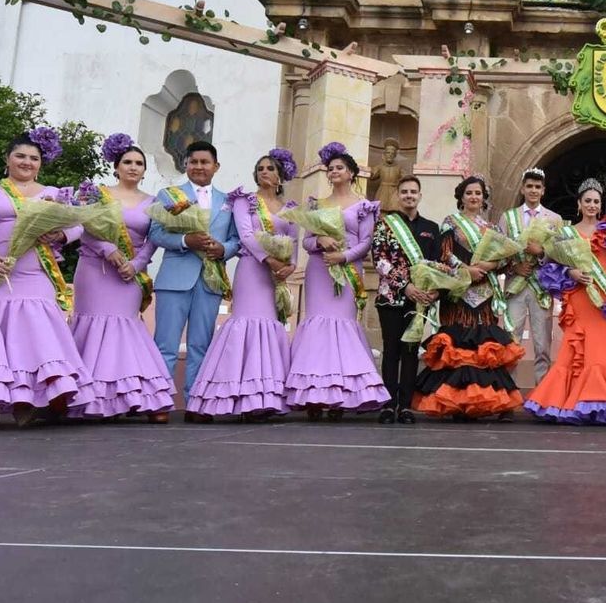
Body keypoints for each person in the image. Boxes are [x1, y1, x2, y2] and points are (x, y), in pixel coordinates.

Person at [0, 129, 89, 427]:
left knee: (31, 332)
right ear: (7, 159)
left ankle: (26, 400)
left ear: (41, 163)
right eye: (20, 156)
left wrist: (61, 234)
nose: (27, 162)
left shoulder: (53, 192)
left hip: (33, 269)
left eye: (33, 158)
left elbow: (81, 224)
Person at [67, 136, 174, 422]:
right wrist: (108, 249)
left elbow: (154, 238)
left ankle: (133, 397)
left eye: (139, 163)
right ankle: (90, 397)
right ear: (116, 167)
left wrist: (138, 264)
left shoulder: (153, 202)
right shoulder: (96, 193)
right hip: (95, 269)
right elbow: (83, 226)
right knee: (92, 326)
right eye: (128, 162)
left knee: (125, 328)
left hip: (130, 273)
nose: (133, 167)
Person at [186, 151, 299, 422]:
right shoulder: (245, 201)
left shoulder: (290, 208)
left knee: (269, 329)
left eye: (270, 168)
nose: (264, 172)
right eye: (260, 168)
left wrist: (290, 266)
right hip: (252, 270)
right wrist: (270, 259)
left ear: (280, 174)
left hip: (276, 275)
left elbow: (293, 240)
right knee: (246, 324)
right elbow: (246, 236)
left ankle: (263, 399)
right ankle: (237, 398)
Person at [284, 142, 390, 416]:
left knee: (342, 326)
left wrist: (343, 257)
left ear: (352, 173)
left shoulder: (363, 206)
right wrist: (320, 240)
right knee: (317, 327)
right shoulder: (317, 204)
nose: (333, 172)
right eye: (330, 169)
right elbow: (306, 242)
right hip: (319, 271)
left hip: (348, 270)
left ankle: (341, 395)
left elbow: (366, 243)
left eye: (339, 168)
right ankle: (314, 395)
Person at [525, 178, 606, 424]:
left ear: (600, 205)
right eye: (587, 201)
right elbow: (552, 267)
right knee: (575, 349)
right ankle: (570, 402)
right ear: (579, 203)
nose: (592, 205)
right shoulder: (566, 233)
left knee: (602, 348)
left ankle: (603, 402)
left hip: (603, 298)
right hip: (578, 296)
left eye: (596, 201)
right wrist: (571, 273)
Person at [415, 175, 526, 420]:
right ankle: (457, 402)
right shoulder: (450, 223)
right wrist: (467, 270)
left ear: (484, 198)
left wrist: (484, 267)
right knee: (460, 344)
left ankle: (492, 402)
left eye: (478, 193)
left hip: (484, 293)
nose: (474, 197)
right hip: (458, 291)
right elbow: (444, 254)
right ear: (461, 197)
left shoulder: (494, 229)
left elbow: (504, 259)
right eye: (469, 193)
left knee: (484, 347)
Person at [149, 141, 239, 419]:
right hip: (175, 278)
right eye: (194, 162)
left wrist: (223, 249)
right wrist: (185, 240)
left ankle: (196, 402)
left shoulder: (229, 202)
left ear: (216, 166)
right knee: (165, 343)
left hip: (210, 279)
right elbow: (155, 233)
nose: (199, 167)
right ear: (186, 165)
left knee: (202, 344)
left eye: (205, 162)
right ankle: (160, 403)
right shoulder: (169, 194)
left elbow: (237, 239)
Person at [370, 174, 440, 423]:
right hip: (391, 298)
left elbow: (438, 264)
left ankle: (406, 405)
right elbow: (379, 260)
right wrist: (405, 286)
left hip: (419, 300)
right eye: (405, 192)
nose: (409, 195)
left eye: (413, 192)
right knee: (391, 350)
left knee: (411, 351)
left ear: (420, 196)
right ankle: (388, 404)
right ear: (398, 195)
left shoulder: (432, 229)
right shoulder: (384, 225)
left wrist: (433, 291)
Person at [499, 168, 563, 385]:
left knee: (542, 343)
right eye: (530, 186)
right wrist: (513, 268)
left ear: (543, 191)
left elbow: (560, 255)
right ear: (522, 189)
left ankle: (541, 396)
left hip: (541, 287)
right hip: (515, 285)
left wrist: (542, 254)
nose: (533, 190)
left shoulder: (554, 219)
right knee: (510, 340)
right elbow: (498, 252)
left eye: (538, 187)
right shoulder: (508, 217)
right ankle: (508, 395)